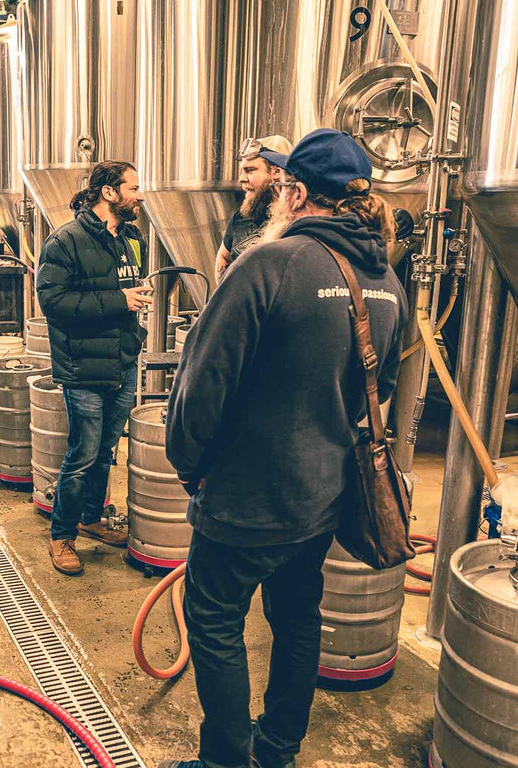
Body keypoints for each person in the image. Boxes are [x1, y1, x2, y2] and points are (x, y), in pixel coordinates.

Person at [160, 129, 406, 768]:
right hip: (322, 498)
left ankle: (224, 762)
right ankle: (277, 752)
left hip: (246, 501)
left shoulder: (269, 266)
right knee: (297, 619)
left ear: (293, 192)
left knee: (214, 623)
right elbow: (378, 394)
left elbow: (201, 387)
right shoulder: (385, 282)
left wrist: (190, 467)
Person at [35, 161, 152, 575]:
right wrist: (121, 300)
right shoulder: (65, 241)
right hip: (82, 366)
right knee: (82, 455)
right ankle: (62, 535)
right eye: (133, 187)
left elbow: (128, 282)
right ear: (108, 192)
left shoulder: (133, 238)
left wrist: (137, 294)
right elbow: (53, 303)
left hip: (122, 359)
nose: (140, 194)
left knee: (105, 451)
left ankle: (91, 518)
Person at [214, 135, 293, 282]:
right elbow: (224, 257)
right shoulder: (241, 217)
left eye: (250, 170)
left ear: (276, 172)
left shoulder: (296, 218)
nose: (242, 178)